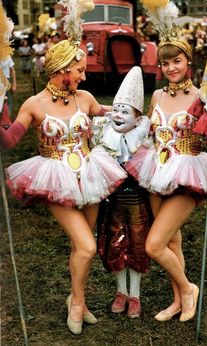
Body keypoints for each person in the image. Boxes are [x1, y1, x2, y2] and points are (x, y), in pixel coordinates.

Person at [0, 0, 127, 335]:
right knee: (86, 246)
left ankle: (79, 301)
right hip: (55, 177)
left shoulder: (83, 97)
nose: (83, 76)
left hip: (90, 174)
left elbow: (110, 112)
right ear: (61, 70)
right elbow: (11, 139)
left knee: (78, 248)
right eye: (80, 71)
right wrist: (0, 115)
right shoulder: (34, 104)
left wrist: (132, 115)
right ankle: (75, 304)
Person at [125, 0, 207, 323]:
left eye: (177, 61)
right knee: (172, 239)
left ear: (189, 61)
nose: (171, 67)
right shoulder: (158, 96)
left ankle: (188, 289)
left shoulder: (204, 97)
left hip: (188, 170)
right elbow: (148, 129)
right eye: (165, 63)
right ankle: (177, 301)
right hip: (155, 168)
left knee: (154, 245)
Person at [92, 67, 153, 318]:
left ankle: (135, 294)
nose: (117, 115)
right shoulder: (104, 137)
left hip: (137, 200)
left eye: (124, 111)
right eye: (115, 110)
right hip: (113, 200)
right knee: (115, 242)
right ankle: (121, 291)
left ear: (137, 120)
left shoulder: (144, 141)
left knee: (137, 243)